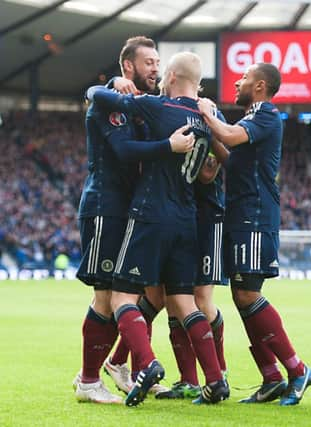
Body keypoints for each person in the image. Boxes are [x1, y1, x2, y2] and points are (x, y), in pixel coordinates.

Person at [87, 51, 228, 407]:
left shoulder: (158, 107)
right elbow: (216, 163)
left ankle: (146, 364)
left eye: (162, 70)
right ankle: (215, 379)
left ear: (172, 76)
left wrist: (103, 87)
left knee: (122, 296)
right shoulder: (209, 116)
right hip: (187, 217)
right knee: (183, 300)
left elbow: (102, 99)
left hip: (151, 213)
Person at [73, 36, 195, 404]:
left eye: (159, 63)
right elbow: (124, 151)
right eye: (149, 63)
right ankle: (89, 380)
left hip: (132, 210)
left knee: (136, 293)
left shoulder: (141, 106)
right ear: (128, 67)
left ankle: (117, 368)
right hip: (105, 207)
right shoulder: (112, 105)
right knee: (107, 295)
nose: (156, 69)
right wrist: (168, 147)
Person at [196, 62, 311, 406]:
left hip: (255, 215)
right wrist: (211, 136)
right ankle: (271, 377)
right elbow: (233, 159)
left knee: (248, 295)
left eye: (244, 77)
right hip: (241, 214)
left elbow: (230, 136)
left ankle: (297, 369)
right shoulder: (252, 120)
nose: (237, 81)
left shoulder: (265, 112)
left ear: (260, 85)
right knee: (240, 295)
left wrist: (207, 114)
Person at [156, 139, 231, 400]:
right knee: (174, 297)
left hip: (209, 218)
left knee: (201, 299)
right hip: (179, 217)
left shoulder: (210, 120)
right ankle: (188, 379)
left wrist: (174, 154)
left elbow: (209, 174)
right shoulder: (173, 118)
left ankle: (220, 372)